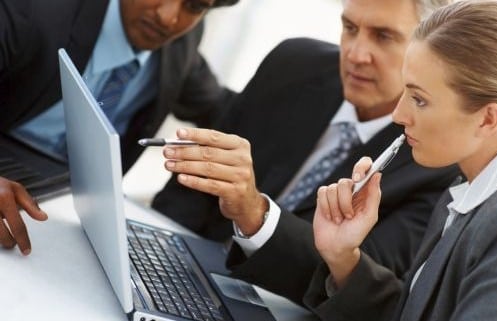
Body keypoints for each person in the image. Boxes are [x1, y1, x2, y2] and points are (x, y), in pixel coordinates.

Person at [303, 1, 497, 320]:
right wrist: (343, 257)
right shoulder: (472, 189)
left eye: (419, 99)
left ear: (487, 119)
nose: (399, 114)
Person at [152, 0, 459, 304]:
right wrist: (156, 255)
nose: (355, 54)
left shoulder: (437, 164)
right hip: (181, 269)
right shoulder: (293, 63)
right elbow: (187, 196)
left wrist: (256, 215)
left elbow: (356, 282)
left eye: (383, 36)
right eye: (350, 28)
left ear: (430, 52)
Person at [0, 0, 238, 255]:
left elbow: (224, 111)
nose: (167, 18)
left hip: (69, 211)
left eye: (194, 6)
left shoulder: (182, 41)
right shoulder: (35, 9)